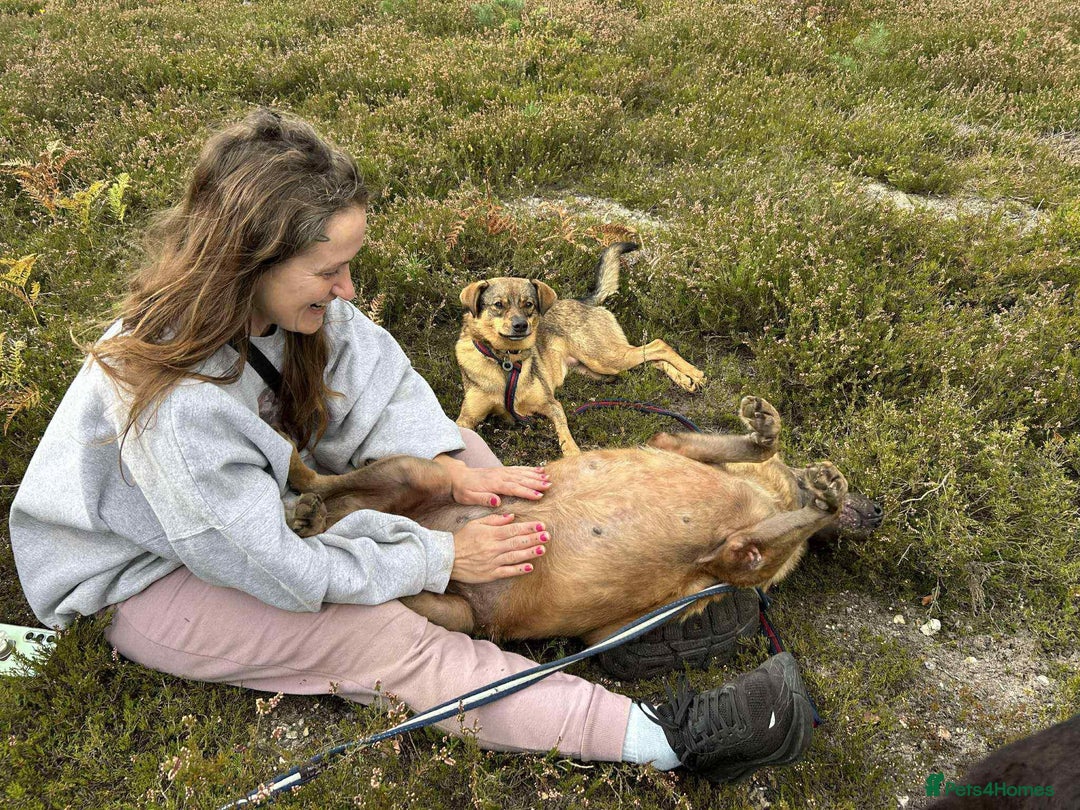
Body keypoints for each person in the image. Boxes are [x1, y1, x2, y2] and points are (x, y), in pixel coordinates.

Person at [9, 108, 813, 784]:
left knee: (497, 482)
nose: (350, 291)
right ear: (249, 257)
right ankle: (667, 737)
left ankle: (602, 617)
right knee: (388, 638)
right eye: (332, 270)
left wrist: (453, 478)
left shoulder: (293, 311)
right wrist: (435, 560)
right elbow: (277, 570)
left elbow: (390, 404)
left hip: (261, 514)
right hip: (151, 575)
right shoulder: (178, 406)